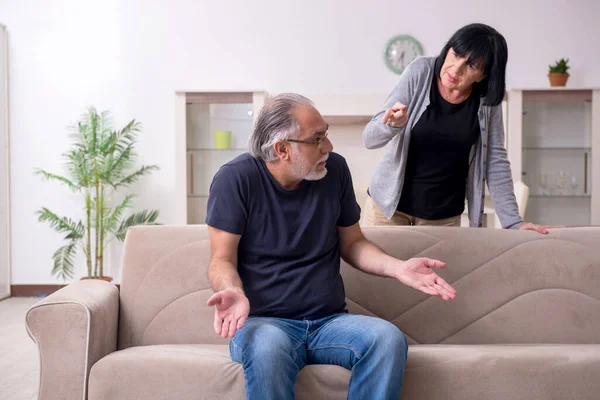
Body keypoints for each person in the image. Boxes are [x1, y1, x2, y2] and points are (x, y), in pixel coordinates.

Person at [205, 93, 457, 400]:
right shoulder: (236, 179)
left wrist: (399, 268)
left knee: (387, 339)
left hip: (330, 322)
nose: (329, 147)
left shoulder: (334, 170)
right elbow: (221, 259)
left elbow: (353, 244)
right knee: (267, 346)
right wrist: (234, 291)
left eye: (327, 134)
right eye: (317, 139)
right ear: (282, 149)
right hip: (264, 323)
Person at [362, 23, 550, 233]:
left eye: (471, 65)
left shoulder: (487, 100)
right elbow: (369, 139)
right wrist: (391, 126)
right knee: (378, 266)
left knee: (442, 267)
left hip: (442, 217)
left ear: (484, 75)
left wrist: (513, 221)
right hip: (388, 210)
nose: (456, 68)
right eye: (456, 54)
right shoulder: (421, 71)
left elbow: (495, 160)